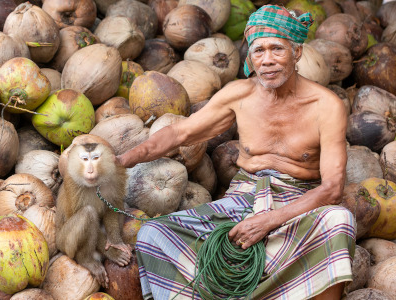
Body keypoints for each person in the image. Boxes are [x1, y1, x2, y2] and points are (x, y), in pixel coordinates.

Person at [116, 5, 356, 300]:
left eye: (277, 49)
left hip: (297, 204)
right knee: (152, 235)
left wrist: (269, 220)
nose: (267, 60)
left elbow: (332, 189)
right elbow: (180, 133)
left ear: (297, 53)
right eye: (258, 51)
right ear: (250, 57)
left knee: (338, 220)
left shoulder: (326, 105)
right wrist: (122, 160)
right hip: (243, 200)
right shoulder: (239, 94)